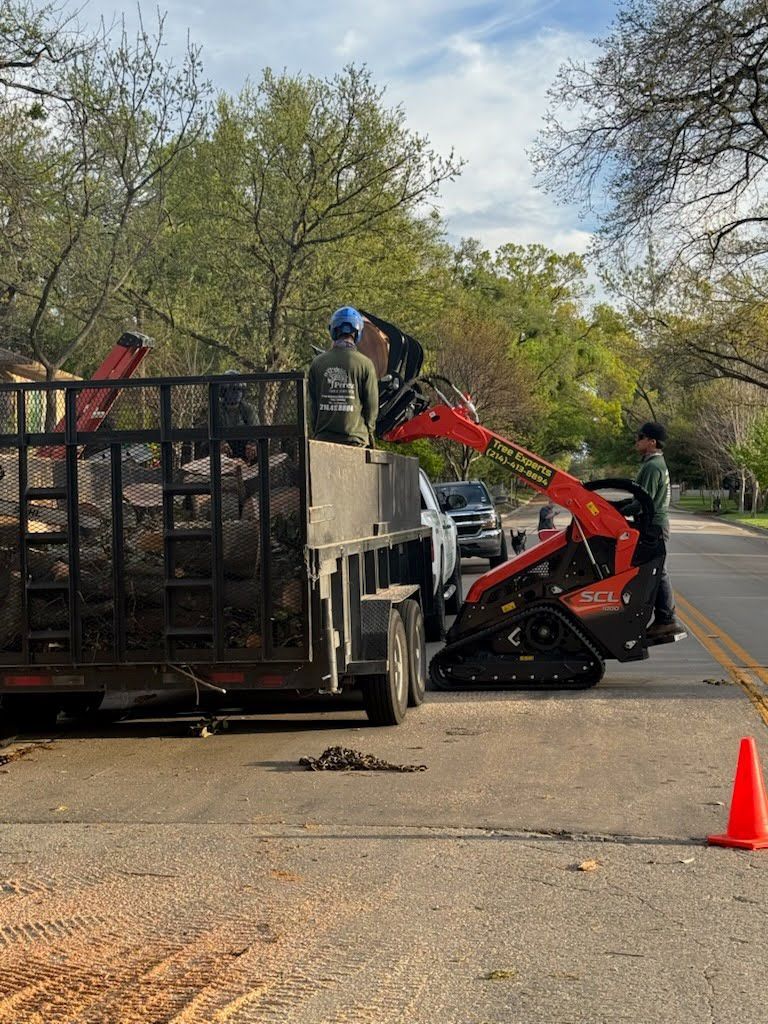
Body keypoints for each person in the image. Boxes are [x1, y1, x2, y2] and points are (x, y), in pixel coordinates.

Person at [635, 421, 682, 638]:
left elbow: (644, 501)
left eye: (640, 437)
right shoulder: (655, 464)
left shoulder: (652, 467)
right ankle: (661, 617)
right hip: (655, 524)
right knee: (653, 570)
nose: (637, 441)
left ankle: (666, 618)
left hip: (654, 525)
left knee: (657, 571)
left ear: (652, 442)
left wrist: (614, 508)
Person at [308, 306, 379, 447]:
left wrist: (317, 430)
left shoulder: (318, 363)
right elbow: (371, 407)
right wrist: (368, 431)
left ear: (333, 330)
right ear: (357, 332)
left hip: (324, 439)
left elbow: (313, 405)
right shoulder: (365, 364)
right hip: (355, 439)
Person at [195, 370, 258, 464]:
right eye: (233, 389)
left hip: (242, 446)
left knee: (257, 448)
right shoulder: (216, 408)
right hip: (223, 445)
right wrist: (220, 443)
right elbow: (211, 427)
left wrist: (252, 444)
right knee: (206, 445)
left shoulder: (248, 409)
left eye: (239, 389)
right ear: (224, 391)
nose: (237, 393)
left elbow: (255, 428)